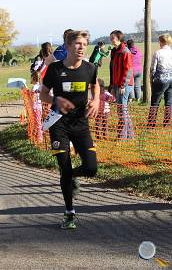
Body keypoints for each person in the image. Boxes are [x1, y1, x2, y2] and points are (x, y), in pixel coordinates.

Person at [40, 30, 100, 229]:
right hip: (59, 124)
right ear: (67, 46)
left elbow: (94, 85)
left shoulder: (90, 68)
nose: (81, 47)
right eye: (77, 44)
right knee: (64, 167)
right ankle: (69, 214)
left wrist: (96, 99)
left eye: (84, 44)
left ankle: (72, 176)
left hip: (81, 124)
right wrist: (56, 99)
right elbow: (43, 95)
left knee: (91, 168)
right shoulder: (55, 70)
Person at [109, 30, 134, 139]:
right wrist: (113, 85)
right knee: (122, 110)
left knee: (122, 110)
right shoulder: (115, 51)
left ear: (119, 38)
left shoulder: (125, 52)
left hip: (124, 85)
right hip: (117, 84)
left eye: (112, 38)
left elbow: (128, 70)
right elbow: (113, 70)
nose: (111, 40)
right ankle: (129, 135)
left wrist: (122, 85)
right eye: (110, 38)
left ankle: (122, 136)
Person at [147, 33, 172, 128]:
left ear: (161, 42)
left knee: (155, 102)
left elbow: (153, 68)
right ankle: (167, 123)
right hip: (171, 79)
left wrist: (151, 78)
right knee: (169, 102)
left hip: (160, 80)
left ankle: (151, 124)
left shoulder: (158, 53)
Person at [31, 71, 43, 143]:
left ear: (33, 78)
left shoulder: (35, 87)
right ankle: (38, 137)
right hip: (40, 106)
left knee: (37, 123)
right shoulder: (40, 86)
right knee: (39, 122)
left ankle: (39, 139)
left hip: (36, 107)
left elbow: (33, 98)